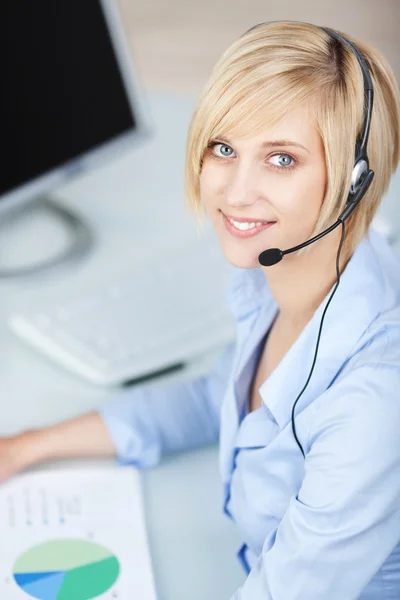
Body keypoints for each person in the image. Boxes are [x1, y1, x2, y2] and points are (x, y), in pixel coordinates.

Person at [1, 20, 400, 599]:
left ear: (355, 182)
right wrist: (27, 446)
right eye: (224, 147)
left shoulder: (372, 407)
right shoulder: (280, 276)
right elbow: (220, 396)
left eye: (282, 159)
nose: (235, 192)